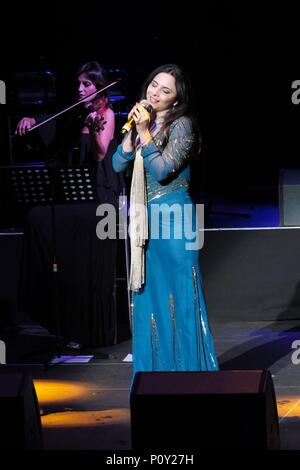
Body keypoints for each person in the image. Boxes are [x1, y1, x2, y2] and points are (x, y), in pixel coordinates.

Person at [113, 64, 218, 375]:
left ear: (176, 99)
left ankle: (193, 376)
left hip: (174, 222)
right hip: (146, 224)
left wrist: (145, 133)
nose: (155, 93)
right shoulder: (140, 125)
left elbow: (162, 171)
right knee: (151, 301)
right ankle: (158, 375)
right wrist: (133, 136)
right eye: (154, 85)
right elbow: (118, 164)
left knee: (182, 301)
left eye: (165, 90)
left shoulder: (183, 125)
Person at [16, 61, 122, 350]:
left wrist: (93, 126)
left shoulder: (106, 114)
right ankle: (56, 316)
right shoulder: (77, 114)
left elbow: (100, 155)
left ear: (100, 88)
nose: (79, 89)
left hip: (101, 199)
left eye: (86, 84)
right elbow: (52, 125)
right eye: (78, 84)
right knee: (38, 217)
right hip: (79, 198)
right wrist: (31, 119)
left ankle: (83, 326)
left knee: (61, 228)